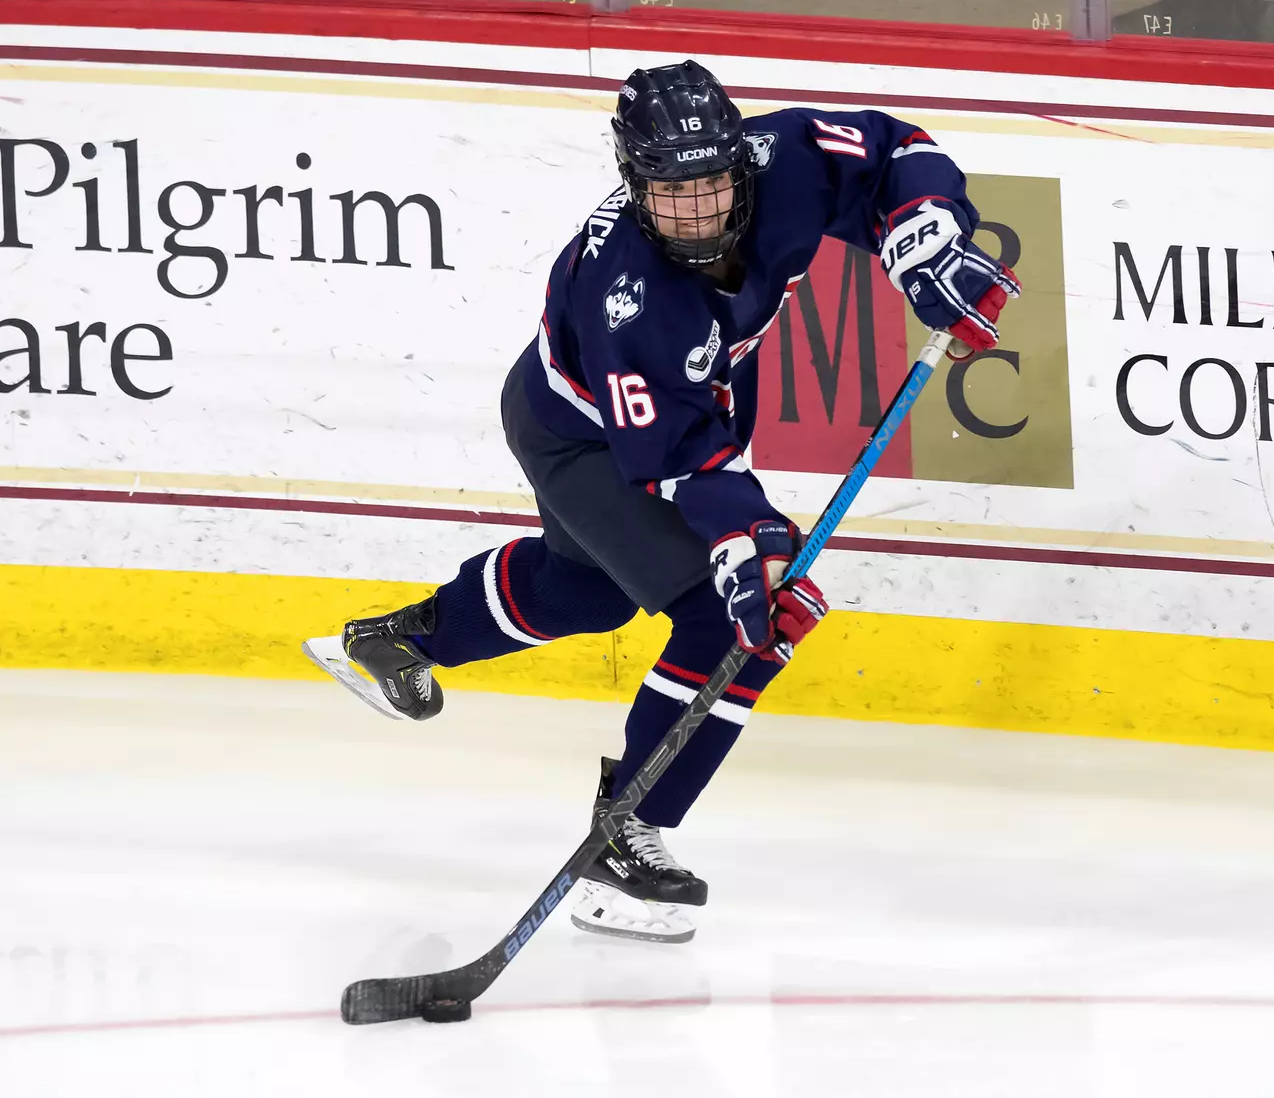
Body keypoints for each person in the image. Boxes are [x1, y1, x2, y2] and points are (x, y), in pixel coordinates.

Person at [305, 60, 1020, 944]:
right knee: (738, 622)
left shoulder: (783, 156)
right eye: (670, 192)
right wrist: (748, 544)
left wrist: (924, 238)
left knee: (593, 589)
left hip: (684, 411)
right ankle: (626, 840)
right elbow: (683, 460)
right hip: (588, 434)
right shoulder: (627, 293)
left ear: (740, 164)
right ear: (632, 179)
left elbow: (893, 151)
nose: (700, 213)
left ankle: (401, 639)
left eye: (714, 183)